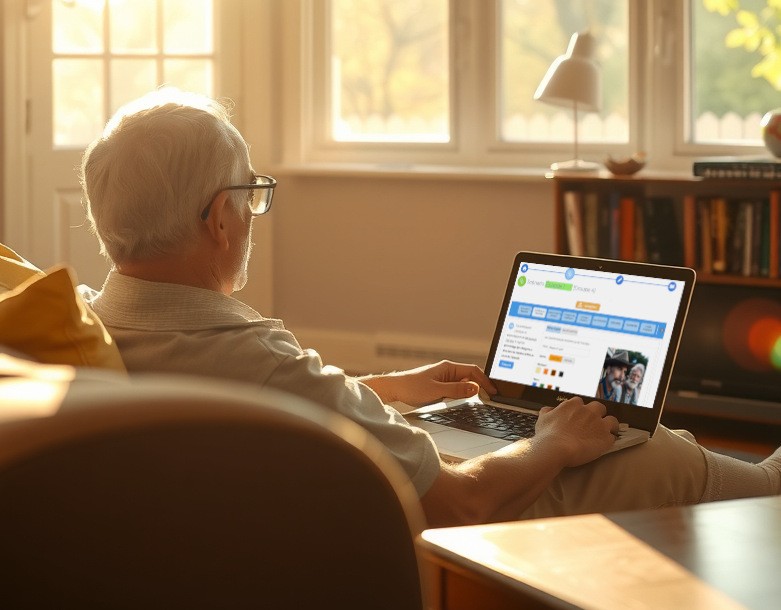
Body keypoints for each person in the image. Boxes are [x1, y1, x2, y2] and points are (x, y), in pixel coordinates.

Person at [79, 89, 781, 528]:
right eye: (249, 196)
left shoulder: (97, 319)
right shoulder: (249, 357)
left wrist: (383, 389)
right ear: (218, 221)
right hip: (435, 520)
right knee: (654, 449)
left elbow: (259, 401)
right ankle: (760, 487)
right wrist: (552, 444)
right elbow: (464, 502)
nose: (252, 213)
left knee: (510, 424)